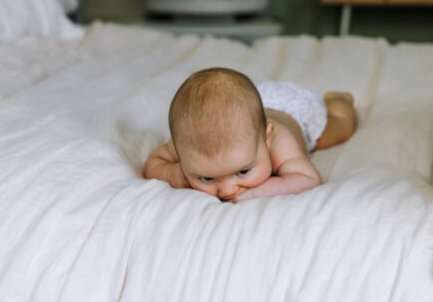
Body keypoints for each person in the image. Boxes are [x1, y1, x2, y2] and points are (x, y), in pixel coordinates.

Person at [144, 67, 357, 202]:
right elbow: (155, 162)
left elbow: (308, 179)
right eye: (206, 177)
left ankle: (338, 100)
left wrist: (257, 193)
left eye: (243, 171)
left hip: (298, 114)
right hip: (255, 104)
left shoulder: (280, 143)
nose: (227, 190)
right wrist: (171, 174)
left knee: (341, 129)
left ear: (267, 137)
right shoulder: (191, 142)